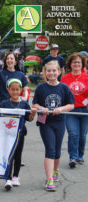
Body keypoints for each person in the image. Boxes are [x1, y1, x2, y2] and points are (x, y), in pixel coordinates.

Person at [32, 60, 75, 192]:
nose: (51, 73)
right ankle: (49, 179)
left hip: (60, 121)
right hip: (46, 122)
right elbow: (35, 105)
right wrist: (41, 108)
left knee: (57, 150)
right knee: (50, 149)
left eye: (54, 70)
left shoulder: (64, 88)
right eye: (48, 71)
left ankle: (55, 170)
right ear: (45, 72)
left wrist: (61, 109)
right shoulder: (40, 87)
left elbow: (71, 105)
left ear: (59, 71)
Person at [0, 78, 37, 190]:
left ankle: (16, 176)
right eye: (12, 89)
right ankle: (8, 178)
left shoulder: (24, 104)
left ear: (20, 90)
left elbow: (29, 119)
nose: (15, 92)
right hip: (8, 134)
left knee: (18, 155)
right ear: (8, 90)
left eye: (17, 89)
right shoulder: (4, 103)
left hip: (20, 133)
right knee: (9, 156)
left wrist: (33, 114)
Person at [61, 53, 88, 168]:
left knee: (82, 135)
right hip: (71, 111)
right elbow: (61, 94)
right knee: (73, 134)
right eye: (74, 62)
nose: (76, 64)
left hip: (85, 111)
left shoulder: (86, 77)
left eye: (78, 62)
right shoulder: (65, 78)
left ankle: (80, 155)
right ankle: (73, 157)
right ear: (70, 64)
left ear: (82, 64)